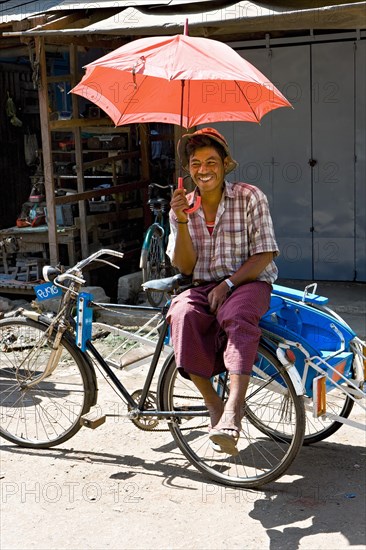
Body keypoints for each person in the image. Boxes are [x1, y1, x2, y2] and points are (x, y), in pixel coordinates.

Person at [166, 127, 279, 455]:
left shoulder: (250, 196)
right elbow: (185, 267)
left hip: (248, 281)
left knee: (237, 313)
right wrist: (181, 220)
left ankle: (233, 410)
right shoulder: (182, 207)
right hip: (203, 285)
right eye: (196, 163)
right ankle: (214, 404)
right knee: (182, 314)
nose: (204, 170)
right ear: (188, 169)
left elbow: (265, 253)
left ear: (226, 163)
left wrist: (229, 284)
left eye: (211, 162)